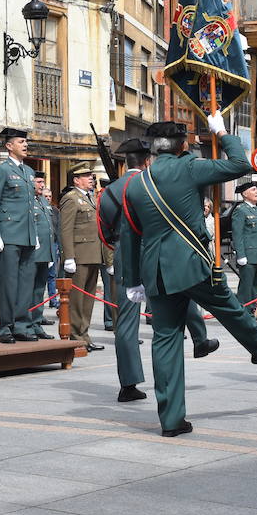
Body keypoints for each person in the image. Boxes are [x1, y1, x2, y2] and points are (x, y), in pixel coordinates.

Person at [121, 117, 257, 437]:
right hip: (191, 263)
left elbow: (130, 235)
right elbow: (240, 163)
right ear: (182, 145)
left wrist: (132, 280)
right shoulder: (191, 167)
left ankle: (171, 420)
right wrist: (221, 132)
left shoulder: (137, 184)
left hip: (155, 270)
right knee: (227, 305)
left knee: (165, 341)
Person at [99, 137, 153, 402]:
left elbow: (103, 230)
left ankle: (128, 384)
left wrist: (120, 241)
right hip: (155, 249)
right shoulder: (153, 184)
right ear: (147, 161)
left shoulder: (110, 190)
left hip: (125, 252)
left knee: (127, 321)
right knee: (169, 311)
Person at [0, 127, 39, 344]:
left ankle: (22, 324)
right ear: (9, 146)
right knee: (8, 283)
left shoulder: (28, 172)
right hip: (8, 235)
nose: (25, 145)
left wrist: (34, 234)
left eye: (25, 142)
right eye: (20, 142)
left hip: (26, 235)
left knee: (26, 283)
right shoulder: (2, 170)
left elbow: (30, 206)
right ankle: (6, 327)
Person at [60, 163, 105, 352]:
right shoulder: (71, 198)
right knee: (77, 299)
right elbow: (65, 229)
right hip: (79, 255)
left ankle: (84, 334)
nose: (91, 179)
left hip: (93, 254)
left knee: (88, 299)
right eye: (86, 176)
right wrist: (68, 256)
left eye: (91, 176)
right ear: (76, 180)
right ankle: (76, 335)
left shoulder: (91, 198)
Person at [25, 178, 58, 341]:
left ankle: (36, 324)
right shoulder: (27, 201)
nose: (42, 185)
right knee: (28, 290)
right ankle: (26, 325)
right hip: (32, 253)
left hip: (45, 253)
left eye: (43, 182)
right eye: (38, 182)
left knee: (39, 290)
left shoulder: (43, 203)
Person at [231, 183, 257, 310]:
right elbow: (237, 234)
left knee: (255, 287)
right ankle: (244, 315)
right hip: (248, 255)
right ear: (245, 194)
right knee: (246, 288)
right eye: (253, 190)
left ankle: (252, 314)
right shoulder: (240, 210)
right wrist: (241, 255)